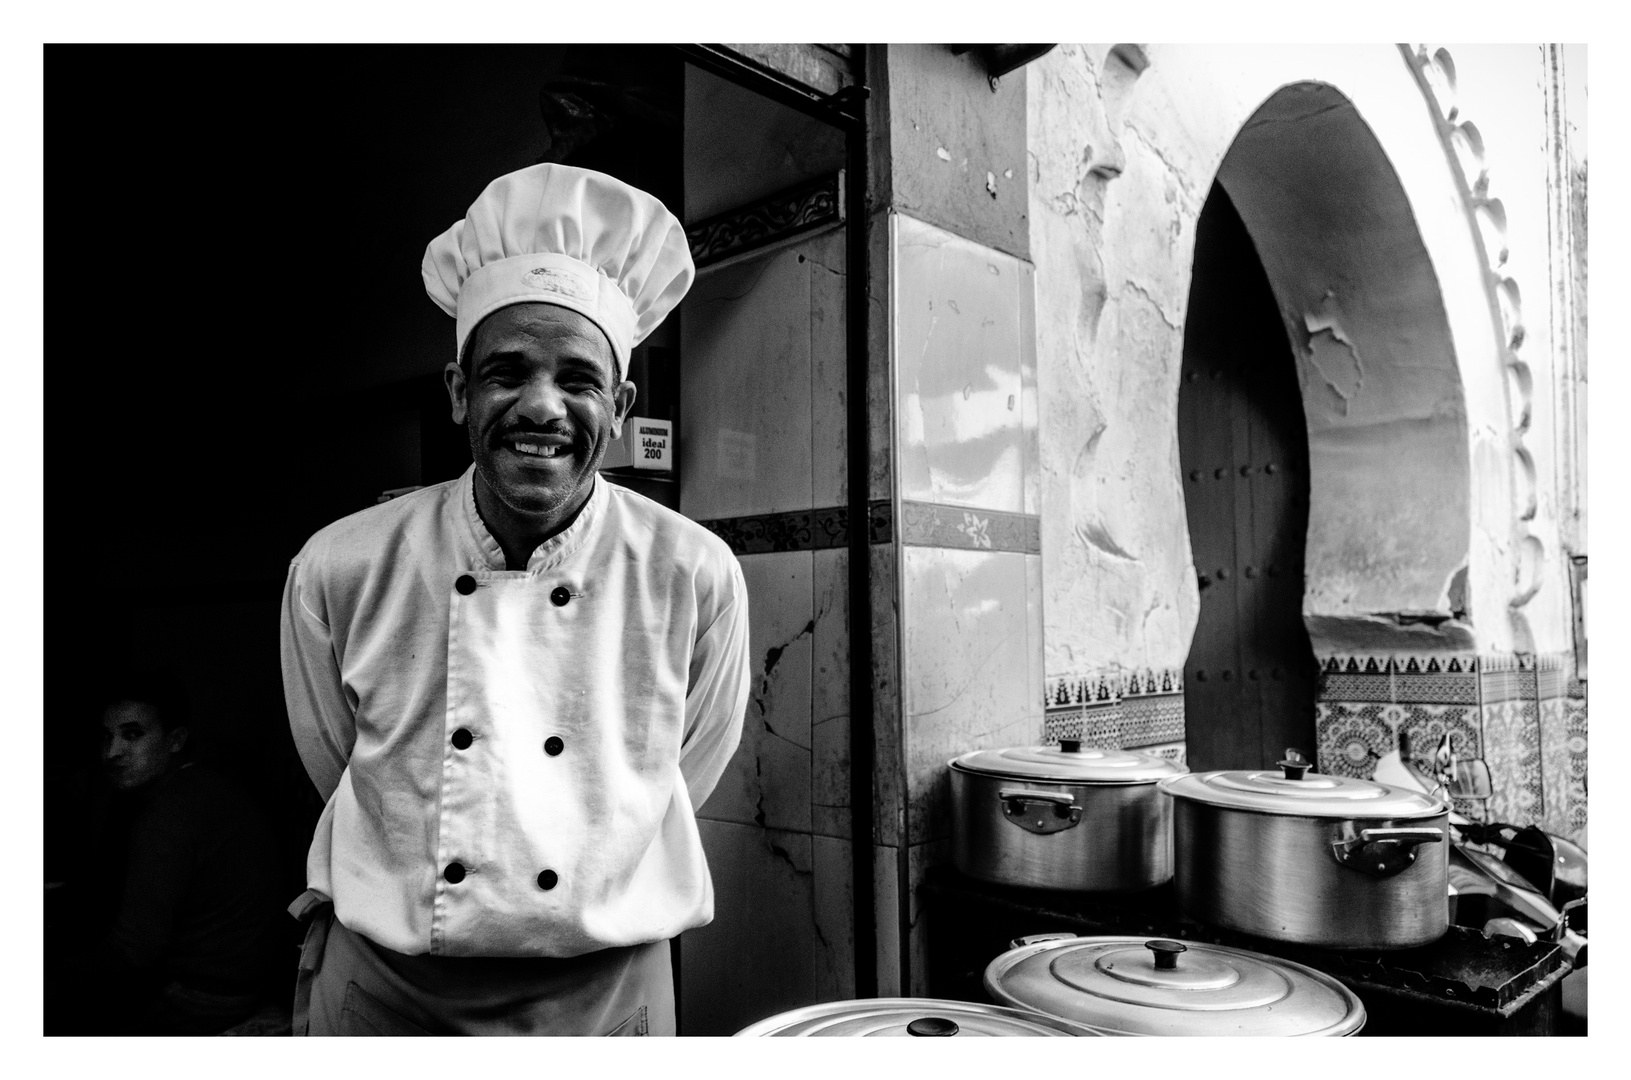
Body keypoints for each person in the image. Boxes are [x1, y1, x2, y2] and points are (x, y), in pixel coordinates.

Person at [280, 163, 751, 1036]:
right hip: (389, 990)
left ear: (620, 406)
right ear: (460, 391)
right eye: (505, 372)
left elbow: (681, 774)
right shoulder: (339, 565)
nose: (542, 406)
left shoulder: (693, 571)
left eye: (578, 379)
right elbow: (340, 762)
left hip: (603, 993)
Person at [44, 673, 286, 1035]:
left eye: (132, 735)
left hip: (205, 996)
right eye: (106, 736)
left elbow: (134, 950)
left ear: (175, 740)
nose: (112, 752)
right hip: (242, 981)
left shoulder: (171, 813)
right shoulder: (201, 785)